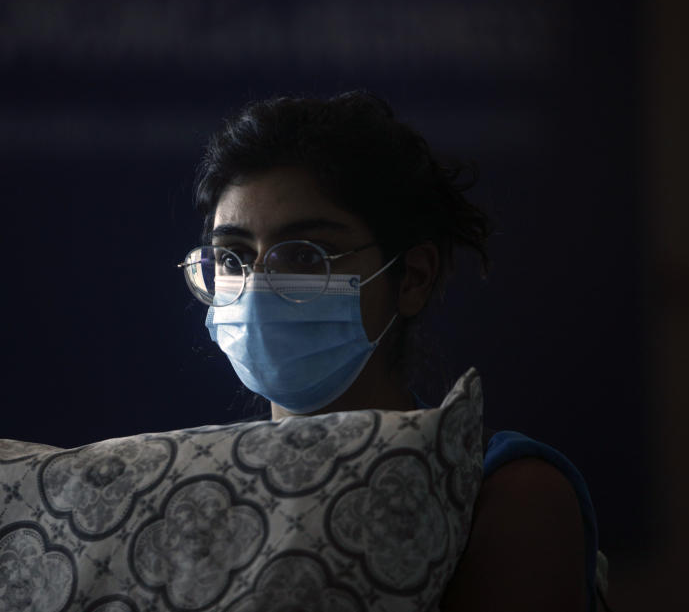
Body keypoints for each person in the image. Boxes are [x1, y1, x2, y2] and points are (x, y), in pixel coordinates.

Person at [178, 91, 608, 611]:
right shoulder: (195, 487)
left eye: (306, 255)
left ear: (413, 278)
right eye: (233, 256)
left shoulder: (497, 491)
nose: (260, 283)